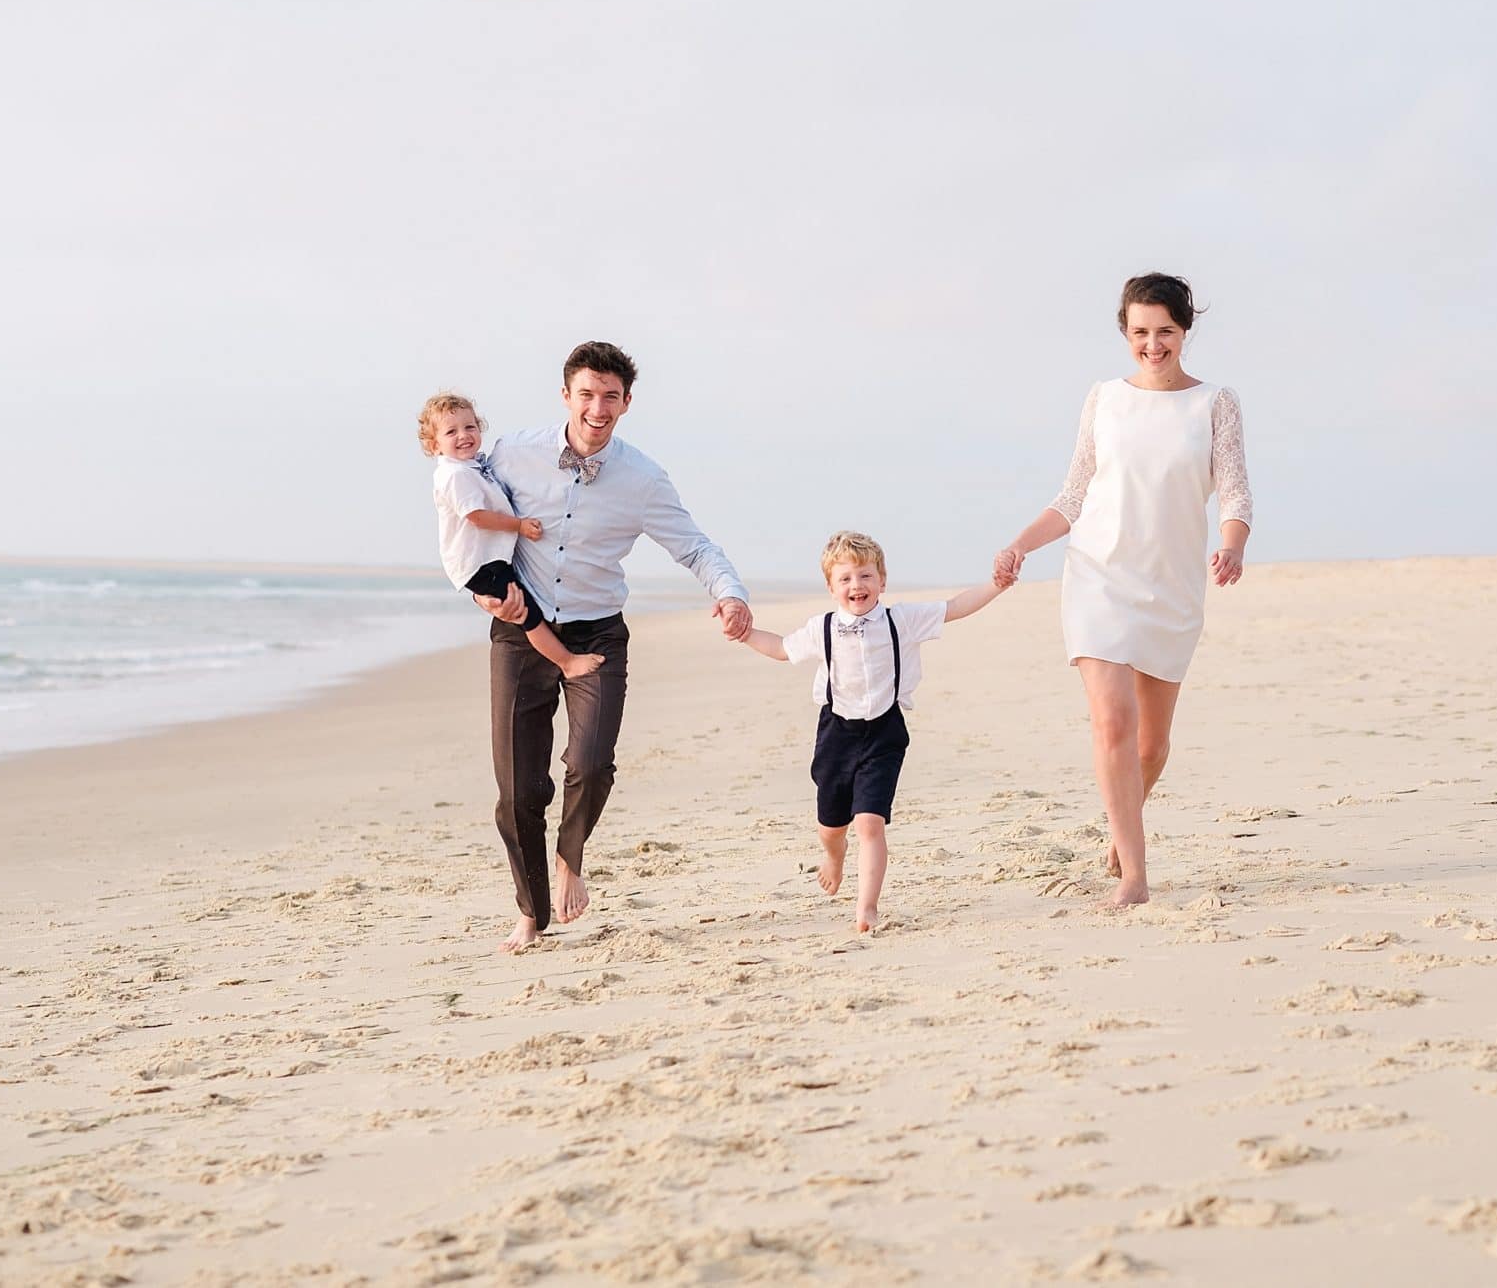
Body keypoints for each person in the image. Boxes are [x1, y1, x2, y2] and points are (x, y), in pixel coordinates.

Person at [473, 341, 753, 952]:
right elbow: (467, 524)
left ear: (627, 402)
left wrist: (730, 595)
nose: (597, 407)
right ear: (566, 395)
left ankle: (570, 856)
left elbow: (696, 547)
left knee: (590, 762)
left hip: (599, 631)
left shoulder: (643, 478)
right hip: (521, 631)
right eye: (586, 393)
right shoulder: (511, 454)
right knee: (518, 788)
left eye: (610, 396)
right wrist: (484, 594)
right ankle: (531, 912)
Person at [992, 273, 1253, 907]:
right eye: (1141, 332)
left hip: (1172, 584)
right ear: (1125, 333)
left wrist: (1233, 542)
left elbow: (1237, 491)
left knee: (1152, 745)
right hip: (1098, 576)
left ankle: (1121, 829)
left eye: (1165, 330)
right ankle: (1134, 877)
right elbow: (1073, 494)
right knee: (1112, 721)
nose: (1153, 344)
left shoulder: (1215, 401)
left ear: (1185, 329)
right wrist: (1021, 544)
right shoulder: (1104, 398)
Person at [737, 531, 1008, 932]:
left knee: (870, 823)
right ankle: (834, 854)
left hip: (885, 732)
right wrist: (745, 634)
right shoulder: (822, 628)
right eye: (845, 579)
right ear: (831, 588)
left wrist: (996, 586)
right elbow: (781, 648)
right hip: (836, 733)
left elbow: (954, 607)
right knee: (831, 826)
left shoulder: (903, 620)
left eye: (865, 576)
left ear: (882, 581)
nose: (856, 586)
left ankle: (867, 906)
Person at [419, 392, 603, 680]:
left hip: (487, 559)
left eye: (470, 427)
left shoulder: (472, 467)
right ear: (434, 445)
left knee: (523, 607)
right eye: (451, 431)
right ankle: (567, 662)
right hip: (479, 564)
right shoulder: (455, 475)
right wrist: (519, 526)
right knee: (525, 613)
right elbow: (476, 516)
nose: (464, 435)